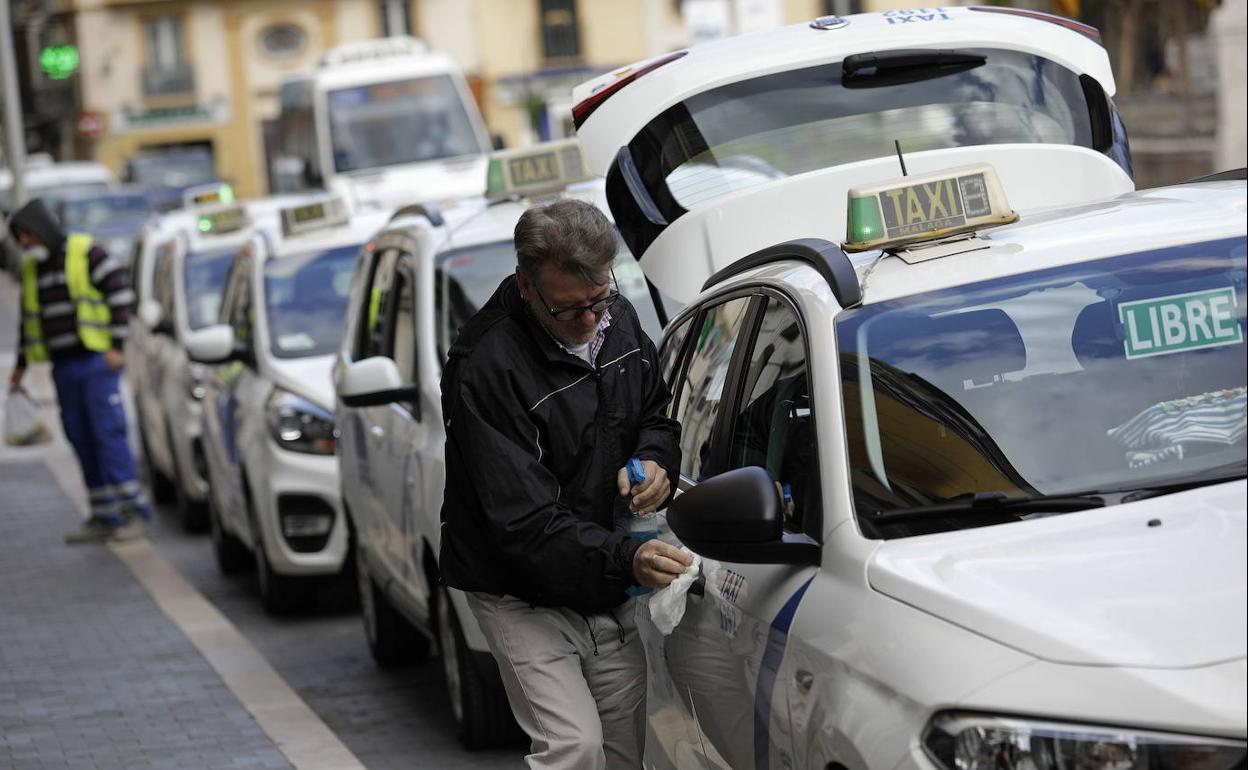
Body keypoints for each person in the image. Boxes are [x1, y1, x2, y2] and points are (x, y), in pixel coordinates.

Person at [439, 198, 692, 769]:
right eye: (568, 310)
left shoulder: (616, 316)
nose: (590, 321)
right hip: (519, 590)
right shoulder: (485, 365)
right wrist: (626, 559)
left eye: (599, 299)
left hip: (603, 574)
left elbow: (656, 414)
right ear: (527, 287)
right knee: (573, 748)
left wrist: (656, 461)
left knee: (624, 751)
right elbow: (524, 524)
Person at [7, 198, 151, 543]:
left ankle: (133, 512)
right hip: (64, 367)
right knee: (81, 439)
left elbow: (119, 295)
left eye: (27, 235)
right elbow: (30, 322)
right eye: (20, 238)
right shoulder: (33, 269)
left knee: (107, 435)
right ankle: (104, 514)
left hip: (95, 363)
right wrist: (20, 367)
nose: (25, 244)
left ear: (43, 230)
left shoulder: (87, 253)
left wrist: (116, 347)